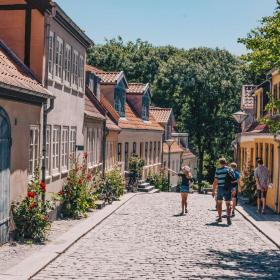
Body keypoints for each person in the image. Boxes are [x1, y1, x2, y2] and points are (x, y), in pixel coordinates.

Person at [212, 158, 235, 225]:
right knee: (228, 203)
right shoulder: (230, 169)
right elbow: (233, 180)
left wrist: (213, 191)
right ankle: (228, 216)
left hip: (220, 188)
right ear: (226, 163)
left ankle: (220, 217)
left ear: (220, 163)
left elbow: (215, 181)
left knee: (219, 203)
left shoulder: (218, 170)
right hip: (228, 188)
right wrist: (234, 189)